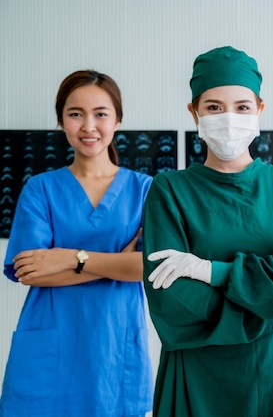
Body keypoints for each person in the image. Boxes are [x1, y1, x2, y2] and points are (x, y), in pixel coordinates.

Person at [142, 46, 273, 417]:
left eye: (242, 107)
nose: (228, 117)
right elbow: (171, 302)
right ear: (193, 112)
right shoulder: (170, 190)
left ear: (260, 110)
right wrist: (270, 307)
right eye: (213, 107)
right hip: (195, 376)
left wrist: (212, 271)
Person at [0, 70, 153, 416]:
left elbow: (148, 267)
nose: (89, 126)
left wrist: (70, 257)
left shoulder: (145, 191)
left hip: (114, 350)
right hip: (50, 350)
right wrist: (118, 263)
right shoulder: (40, 190)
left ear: (117, 120)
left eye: (100, 113)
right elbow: (30, 271)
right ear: (61, 121)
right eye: (75, 114)